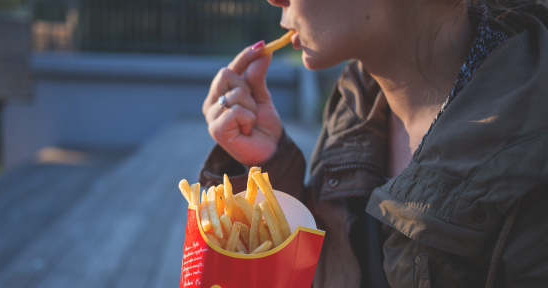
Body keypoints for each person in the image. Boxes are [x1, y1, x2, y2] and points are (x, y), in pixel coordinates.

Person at [199, 0, 548, 286]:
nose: (273, 0)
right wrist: (272, 165)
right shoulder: (356, 101)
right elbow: (342, 265)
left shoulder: (533, 152)